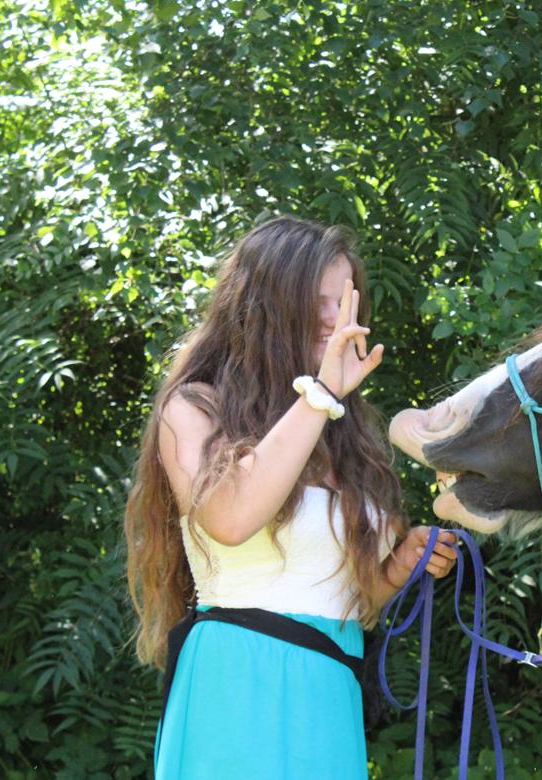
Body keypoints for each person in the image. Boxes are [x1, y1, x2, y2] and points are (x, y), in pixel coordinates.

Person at [123, 215, 459, 779]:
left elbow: (344, 601)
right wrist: (321, 396)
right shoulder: (193, 409)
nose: (336, 321)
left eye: (345, 302)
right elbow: (228, 518)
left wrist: (397, 569)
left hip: (329, 689)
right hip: (239, 684)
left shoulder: (342, 433)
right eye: (319, 302)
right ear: (268, 306)